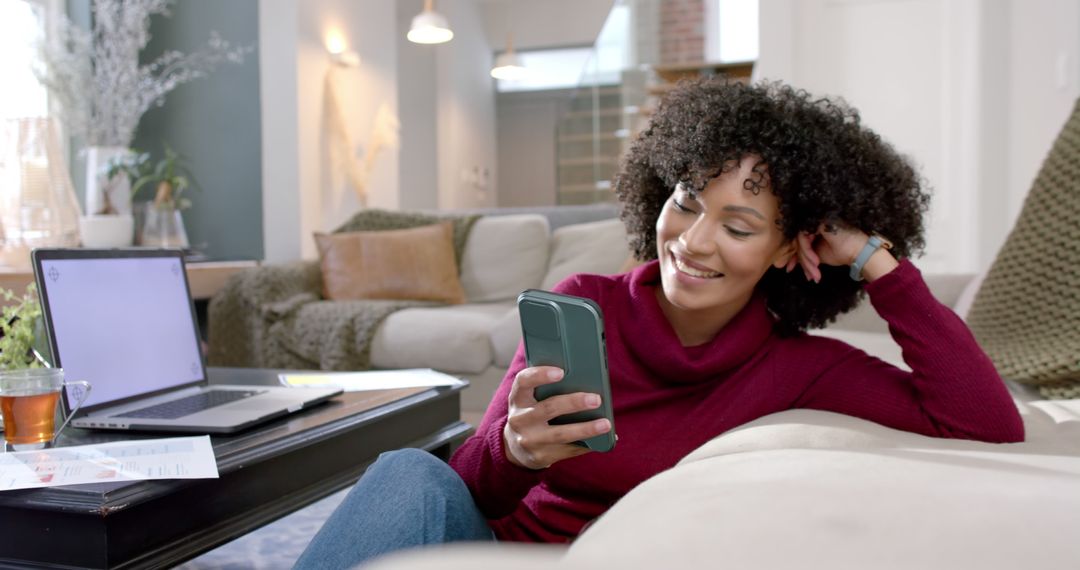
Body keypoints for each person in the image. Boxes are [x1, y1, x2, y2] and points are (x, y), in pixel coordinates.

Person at [293, 79, 1024, 569]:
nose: (692, 240)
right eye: (685, 198)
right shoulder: (587, 303)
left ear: (786, 249)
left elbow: (984, 420)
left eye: (739, 226)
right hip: (499, 550)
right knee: (411, 474)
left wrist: (873, 262)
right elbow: (476, 494)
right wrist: (512, 451)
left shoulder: (802, 368)